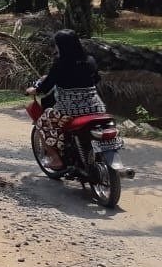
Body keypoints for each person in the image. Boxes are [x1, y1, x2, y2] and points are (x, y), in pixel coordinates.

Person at [25, 30, 107, 171]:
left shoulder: (60, 64)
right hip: (96, 106)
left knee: (42, 123)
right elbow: (96, 79)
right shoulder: (90, 60)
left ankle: (56, 159)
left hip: (69, 110)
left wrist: (33, 90)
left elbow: (45, 87)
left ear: (61, 46)